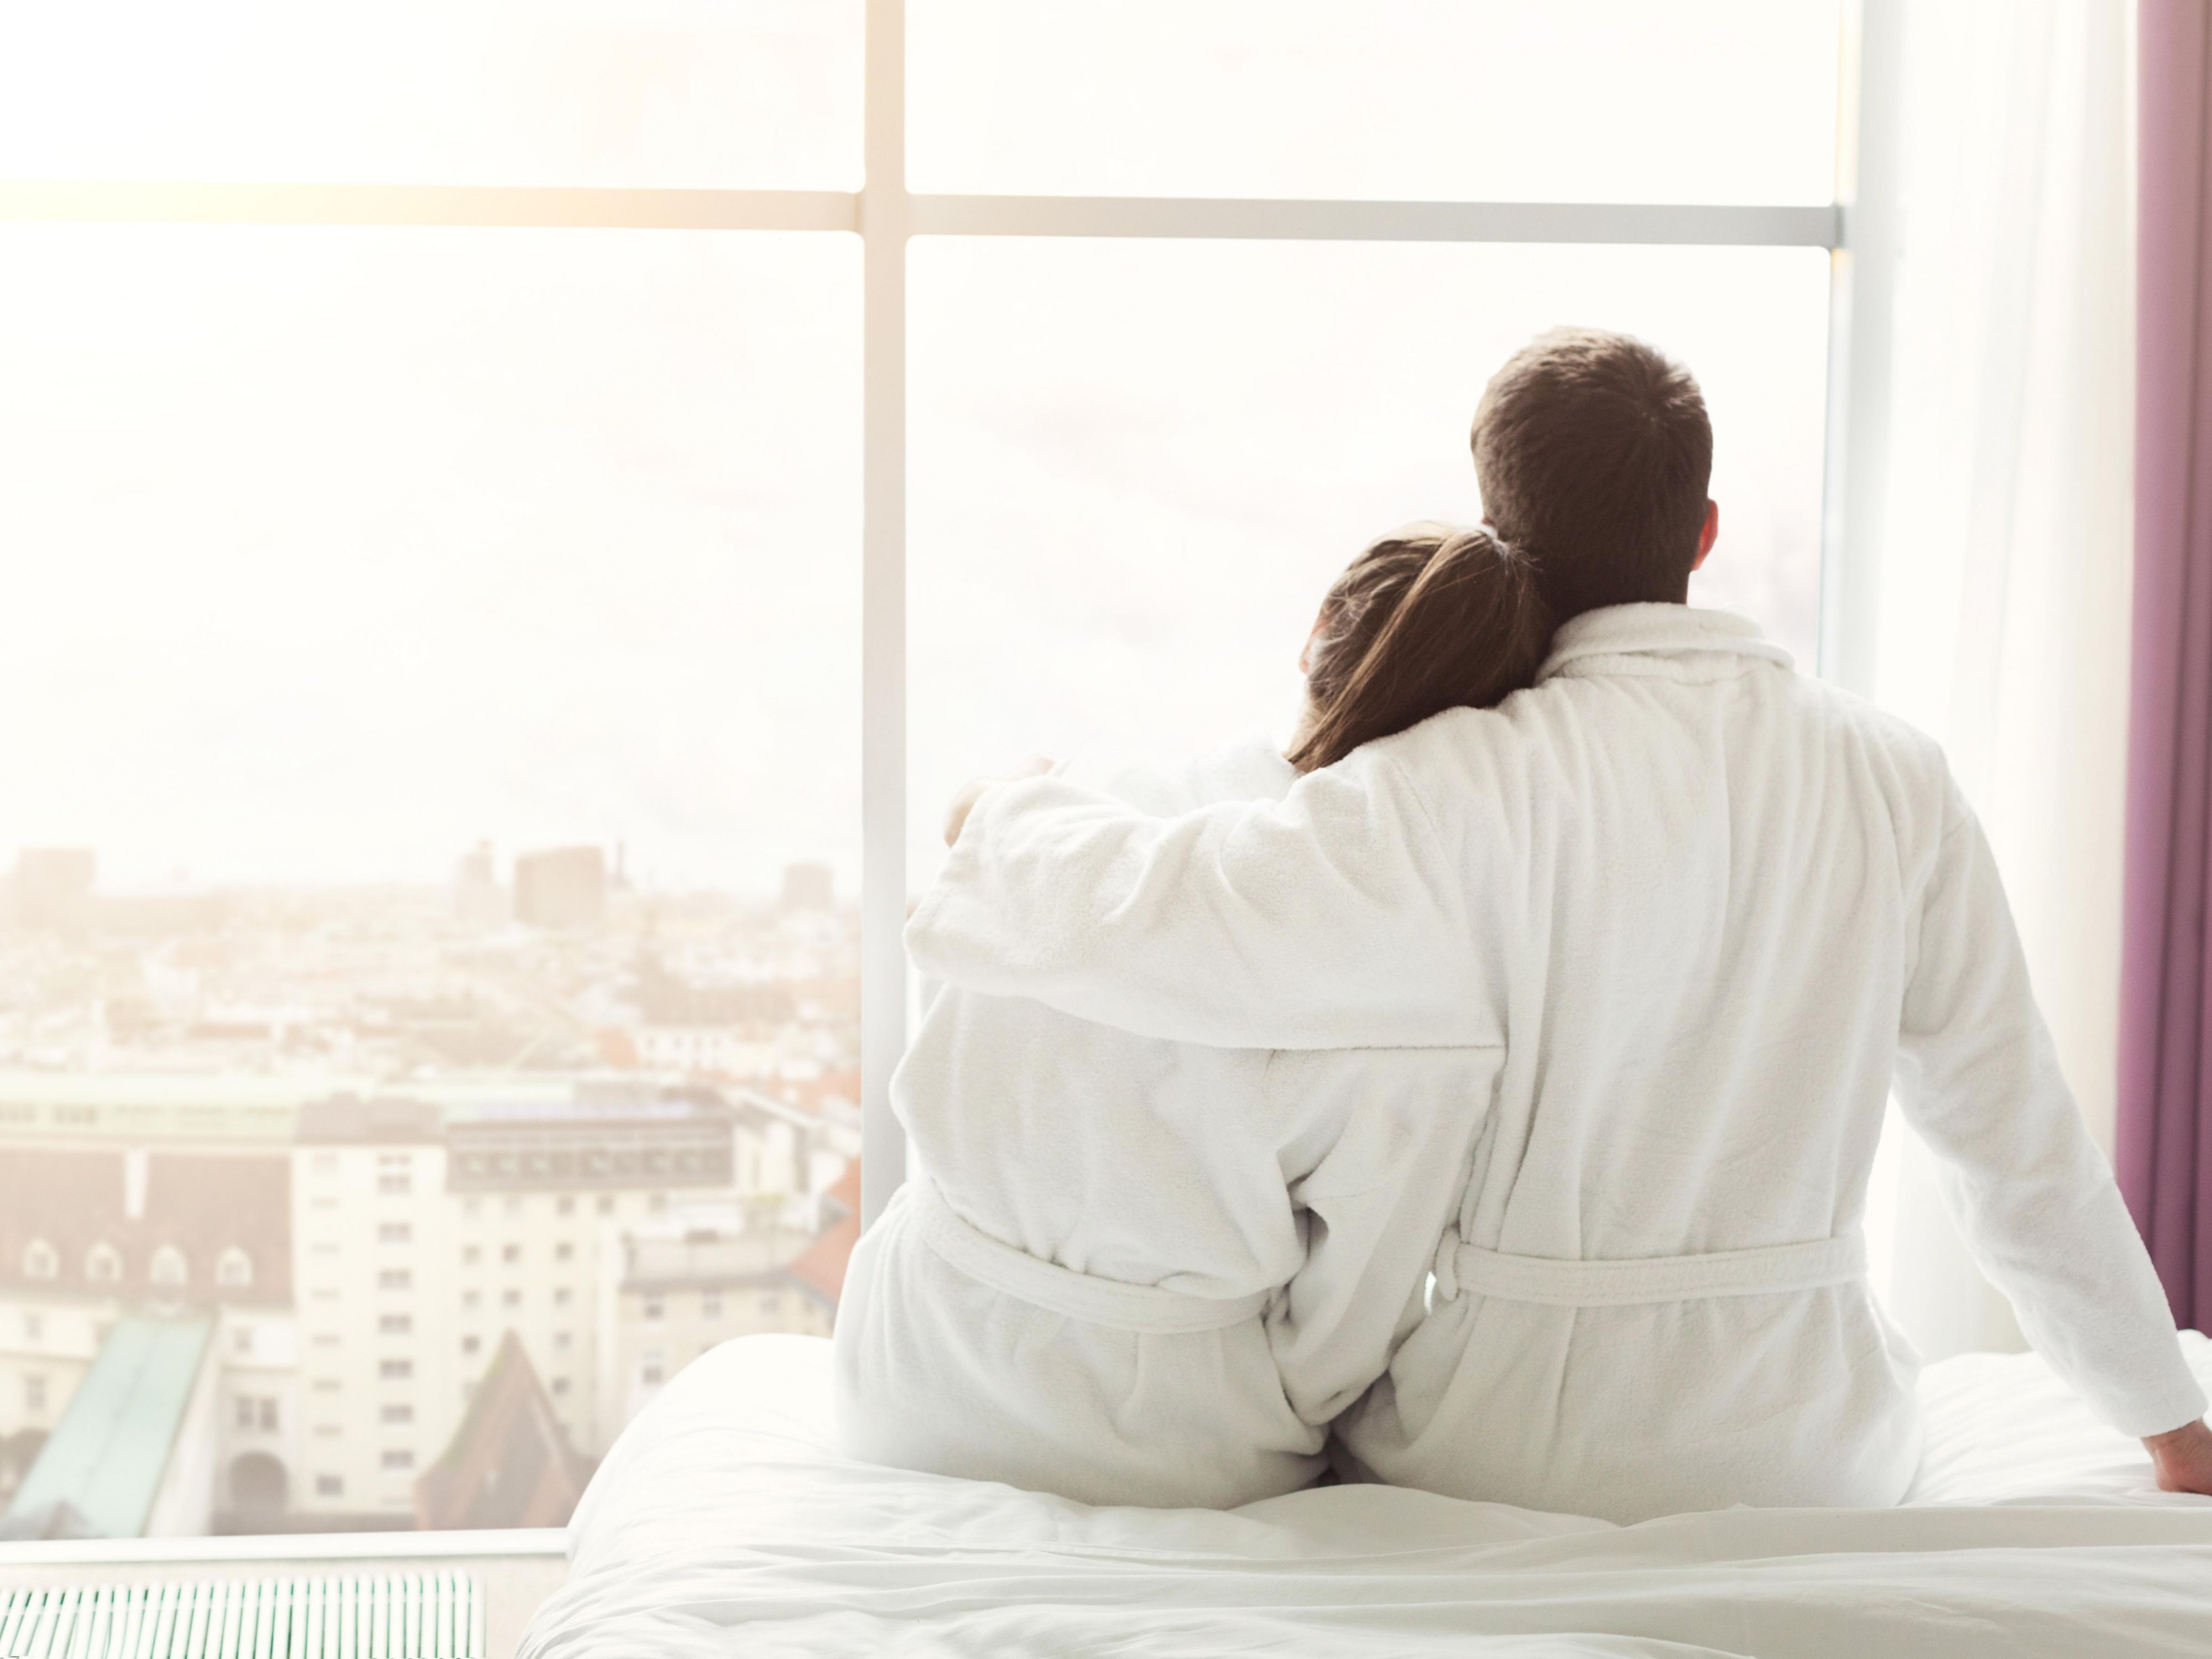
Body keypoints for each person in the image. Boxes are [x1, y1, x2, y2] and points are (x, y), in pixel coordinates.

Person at [911, 327, 2212, 1524]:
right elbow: (2012, 1137)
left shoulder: (1453, 784)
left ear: (1496, 527)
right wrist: (2163, 1413)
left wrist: (1002, 825)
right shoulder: (1893, 776)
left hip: (1502, 1452)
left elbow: (1169, 913)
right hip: (1815, 1448)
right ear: (1701, 534)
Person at [833, 527, 1549, 1507]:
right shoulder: (1424, 989)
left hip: (907, 1359)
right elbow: (1347, 1326)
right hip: (1166, 1439)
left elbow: (955, 1008)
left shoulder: (1088, 796)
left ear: (1318, 634)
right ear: (1481, 730)